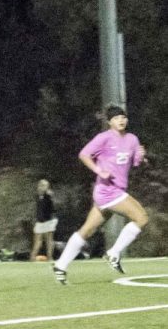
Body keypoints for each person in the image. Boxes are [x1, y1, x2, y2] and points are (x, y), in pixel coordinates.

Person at [52, 105, 147, 284]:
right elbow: (84, 154)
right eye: (117, 118)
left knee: (87, 230)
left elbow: (134, 163)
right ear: (110, 122)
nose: (121, 120)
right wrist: (99, 170)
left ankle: (60, 266)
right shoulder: (104, 138)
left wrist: (140, 156)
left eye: (123, 117)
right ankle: (113, 253)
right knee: (141, 217)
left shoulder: (132, 139)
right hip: (107, 191)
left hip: (116, 190)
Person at [31, 179, 57, 262]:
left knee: (49, 240)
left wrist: (49, 195)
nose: (43, 187)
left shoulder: (49, 195)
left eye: (45, 185)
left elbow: (52, 208)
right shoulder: (37, 196)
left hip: (48, 221)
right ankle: (32, 258)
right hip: (40, 221)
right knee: (37, 242)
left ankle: (50, 258)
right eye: (41, 185)